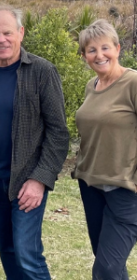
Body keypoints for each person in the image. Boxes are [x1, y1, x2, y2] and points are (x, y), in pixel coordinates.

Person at [0, 5, 69, 279]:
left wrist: (40, 180)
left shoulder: (42, 71)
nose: (1, 39)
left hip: (27, 181)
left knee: (26, 254)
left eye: (7, 32)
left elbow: (58, 132)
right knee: (6, 248)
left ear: (20, 33)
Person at [72, 19, 137, 280]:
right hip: (92, 186)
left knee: (106, 269)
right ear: (85, 55)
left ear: (118, 48)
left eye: (105, 48)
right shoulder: (92, 86)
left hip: (125, 189)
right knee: (111, 266)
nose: (99, 55)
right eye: (91, 50)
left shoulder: (132, 82)